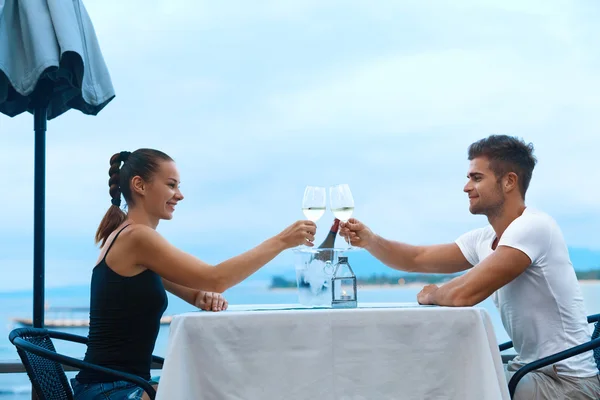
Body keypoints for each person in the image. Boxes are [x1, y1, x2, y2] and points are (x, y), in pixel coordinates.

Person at [340, 135, 600, 399]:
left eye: (476, 178)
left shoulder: (534, 227)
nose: (466, 187)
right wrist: (371, 241)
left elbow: (463, 295)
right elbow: (416, 258)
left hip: (566, 383)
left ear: (509, 181)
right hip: (530, 370)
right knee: (441, 380)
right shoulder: (485, 239)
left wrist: (432, 293)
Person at [71, 149, 317, 400]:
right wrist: (281, 241)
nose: (180, 195)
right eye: (171, 185)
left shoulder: (131, 238)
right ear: (139, 185)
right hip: (110, 392)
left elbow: (201, 290)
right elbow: (216, 279)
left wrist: (206, 297)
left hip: (121, 386)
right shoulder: (136, 237)